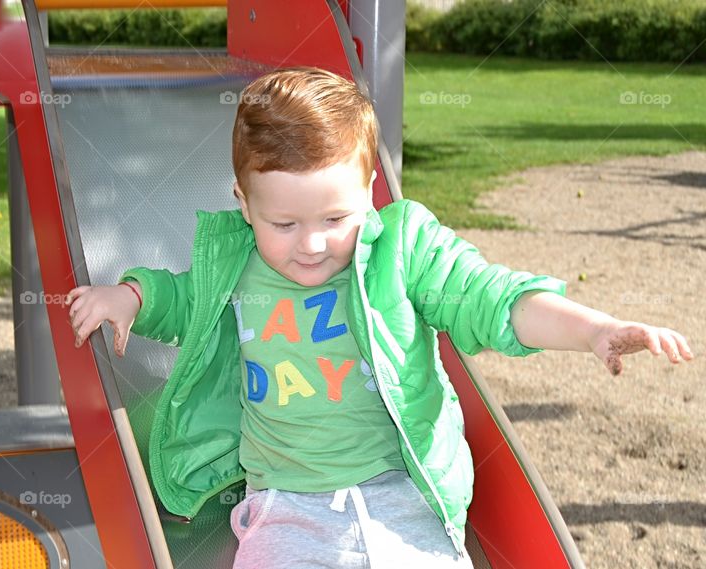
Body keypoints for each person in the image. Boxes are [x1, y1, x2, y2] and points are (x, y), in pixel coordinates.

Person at [64, 67, 693, 568]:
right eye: (284, 224)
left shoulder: (401, 252)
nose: (311, 244)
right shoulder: (233, 266)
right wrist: (131, 297)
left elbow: (492, 297)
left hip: (405, 497)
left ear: (370, 192)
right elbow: (182, 300)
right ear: (243, 204)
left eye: (336, 219)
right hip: (286, 507)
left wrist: (592, 330)